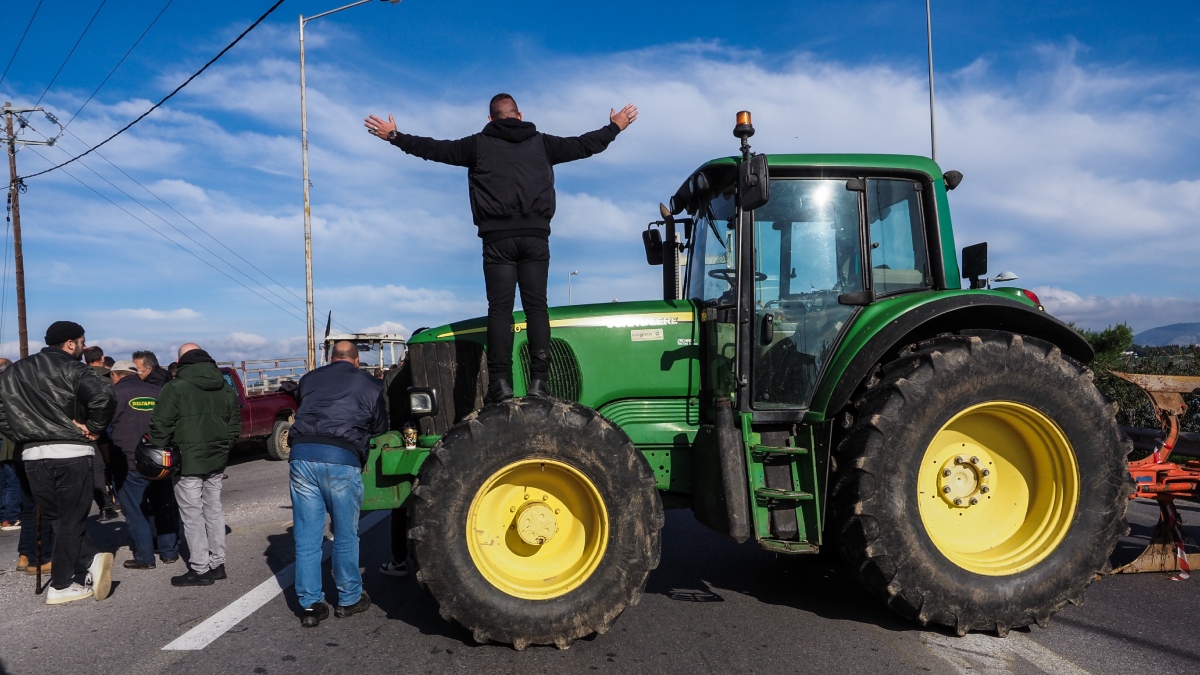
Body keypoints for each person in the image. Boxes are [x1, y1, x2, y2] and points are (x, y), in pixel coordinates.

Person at [364, 94, 638, 402]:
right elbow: (586, 145)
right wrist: (614, 127)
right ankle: (539, 382)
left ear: (490, 119)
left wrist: (395, 136)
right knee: (537, 309)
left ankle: (500, 383)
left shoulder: (476, 145)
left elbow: (433, 149)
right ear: (519, 115)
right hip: (535, 237)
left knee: (499, 310)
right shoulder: (544, 143)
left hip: (497, 241)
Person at [0, 321, 116, 604]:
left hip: (33, 455)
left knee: (58, 519)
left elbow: (2, 412)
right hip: (70, 451)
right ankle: (61, 585)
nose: (84, 348)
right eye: (82, 342)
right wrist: (94, 429)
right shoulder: (72, 367)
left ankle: (91, 559)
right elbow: (104, 395)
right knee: (71, 519)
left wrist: (23, 434)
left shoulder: (14, 371)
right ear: (70, 343)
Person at [288, 340, 387, 627]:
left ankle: (310, 606)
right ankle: (349, 598)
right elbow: (381, 426)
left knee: (307, 537)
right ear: (356, 361)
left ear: (331, 359)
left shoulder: (309, 378)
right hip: (341, 458)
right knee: (345, 534)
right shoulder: (369, 384)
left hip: (302, 455)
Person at [149, 343, 239, 587]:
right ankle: (218, 564)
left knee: (192, 515)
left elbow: (161, 425)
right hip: (216, 459)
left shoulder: (175, 387)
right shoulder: (224, 386)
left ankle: (200, 569)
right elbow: (234, 424)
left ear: (181, 362)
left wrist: (158, 448)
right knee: (214, 510)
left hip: (186, 459)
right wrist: (224, 447)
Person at [109, 360, 179, 569]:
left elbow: (105, 429)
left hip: (128, 461)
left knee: (135, 510)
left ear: (115, 375)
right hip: (159, 458)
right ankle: (169, 552)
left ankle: (145, 557)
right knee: (164, 505)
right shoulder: (157, 391)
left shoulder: (114, 394)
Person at [83, 346, 119, 521]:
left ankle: (105, 505)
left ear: (85, 360)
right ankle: (119, 498)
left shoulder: (79, 377)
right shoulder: (111, 378)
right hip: (110, 426)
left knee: (96, 469)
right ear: (102, 358)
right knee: (115, 464)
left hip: (86, 428)